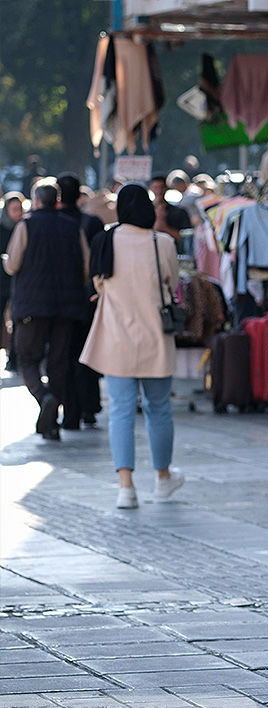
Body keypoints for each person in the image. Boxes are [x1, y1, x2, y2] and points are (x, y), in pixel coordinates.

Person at [80, 184, 184, 509]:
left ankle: (125, 487)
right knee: (159, 408)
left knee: (121, 412)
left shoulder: (105, 240)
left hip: (116, 338)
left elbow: (97, 282)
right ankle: (163, 479)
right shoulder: (162, 242)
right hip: (155, 335)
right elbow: (173, 282)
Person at [3, 180, 90, 440]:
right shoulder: (73, 227)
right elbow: (86, 268)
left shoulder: (26, 225)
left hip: (31, 305)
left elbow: (13, 264)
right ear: (58, 201)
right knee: (58, 363)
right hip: (66, 307)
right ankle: (51, 420)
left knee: (27, 359)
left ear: (37, 201)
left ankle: (44, 398)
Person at [58, 173, 105, 430]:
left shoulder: (52, 223)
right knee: (88, 354)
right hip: (88, 298)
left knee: (65, 356)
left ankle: (71, 412)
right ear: (79, 196)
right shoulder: (92, 223)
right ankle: (89, 407)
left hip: (61, 301)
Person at [0, 192, 25, 372]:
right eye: (14, 209)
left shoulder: (24, 228)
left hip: (19, 282)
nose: (18, 213)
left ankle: (14, 358)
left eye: (20, 209)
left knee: (17, 320)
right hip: (2, 282)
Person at [149, 174, 191, 252]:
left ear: (166, 188)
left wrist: (164, 227)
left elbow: (185, 238)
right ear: (151, 189)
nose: (159, 191)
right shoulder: (145, 211)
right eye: (156, 188)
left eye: (161, 187)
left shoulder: (179, 212)